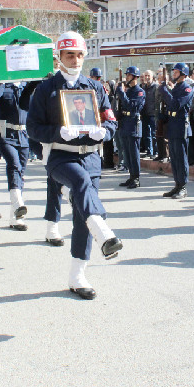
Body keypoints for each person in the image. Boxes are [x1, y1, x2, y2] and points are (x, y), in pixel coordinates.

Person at [26, 31, 122, 300]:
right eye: (70, 54)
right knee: (79, 184)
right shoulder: (45, 89)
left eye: (80, 54)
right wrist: (57, 133)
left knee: (82, 217)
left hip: (91, 157)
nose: (76, 59)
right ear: (59, 57)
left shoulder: (95, 87)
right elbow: (32, 127)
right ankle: (104, 231)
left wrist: (106, 133)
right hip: (61, 156)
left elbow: (110, 120)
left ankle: (77, 276)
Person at [0, 79, 39, 230]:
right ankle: (17, 203)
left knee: (20, 172)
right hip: (4, 133)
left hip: (23, 135)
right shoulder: (2, 85)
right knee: (14, 164)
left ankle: (15, 217)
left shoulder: (28, 86)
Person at [160, 62, 193, 199]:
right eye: (173, 72)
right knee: (174, 158)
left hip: (180, 126)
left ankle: (183, 187)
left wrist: (164, 90)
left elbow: (175, 104)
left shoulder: (187, 89)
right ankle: (177, 184)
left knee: (181, 158)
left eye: (176, 72)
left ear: (183, 74)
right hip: (173, 125)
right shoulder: (176, 87)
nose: (174, 74)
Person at [116, 65, 145, 189]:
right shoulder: (128, 91)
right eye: (126, 75)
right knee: (127, 153)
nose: (126, 77)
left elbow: (131, 106)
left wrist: (122, 93)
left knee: (134, 153)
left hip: (133, 124)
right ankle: (131, 176)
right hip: (125, 123)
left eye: (129, 75)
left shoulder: (139, 91)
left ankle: (136, 178)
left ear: (135, 77)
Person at [140, 70, 158, 158]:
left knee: (154, 134)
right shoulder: (143, 88)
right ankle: (149, 151)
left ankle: (155, 152)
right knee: (146, 134)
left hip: (153, 114)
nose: (146, 77)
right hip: (145, 114)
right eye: (145, 75)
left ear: (152, 77)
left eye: (148, 76)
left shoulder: (156, 87)